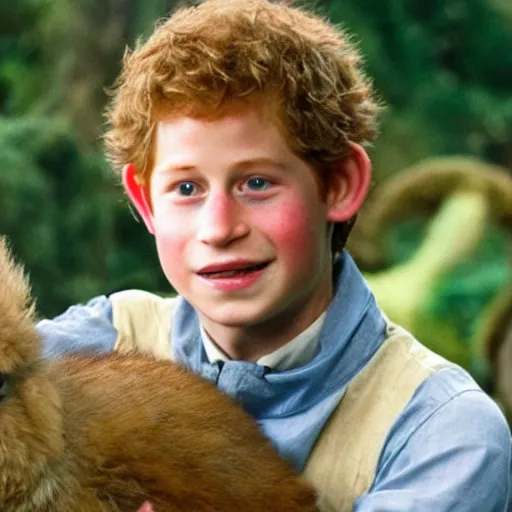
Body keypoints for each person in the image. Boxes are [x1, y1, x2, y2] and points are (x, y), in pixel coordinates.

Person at [37, 0, 511, 510]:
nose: (218, 228)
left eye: (257, 183)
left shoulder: (441, 432)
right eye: (187, 188)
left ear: (338, 185)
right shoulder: (103, 341)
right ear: (145, 201)